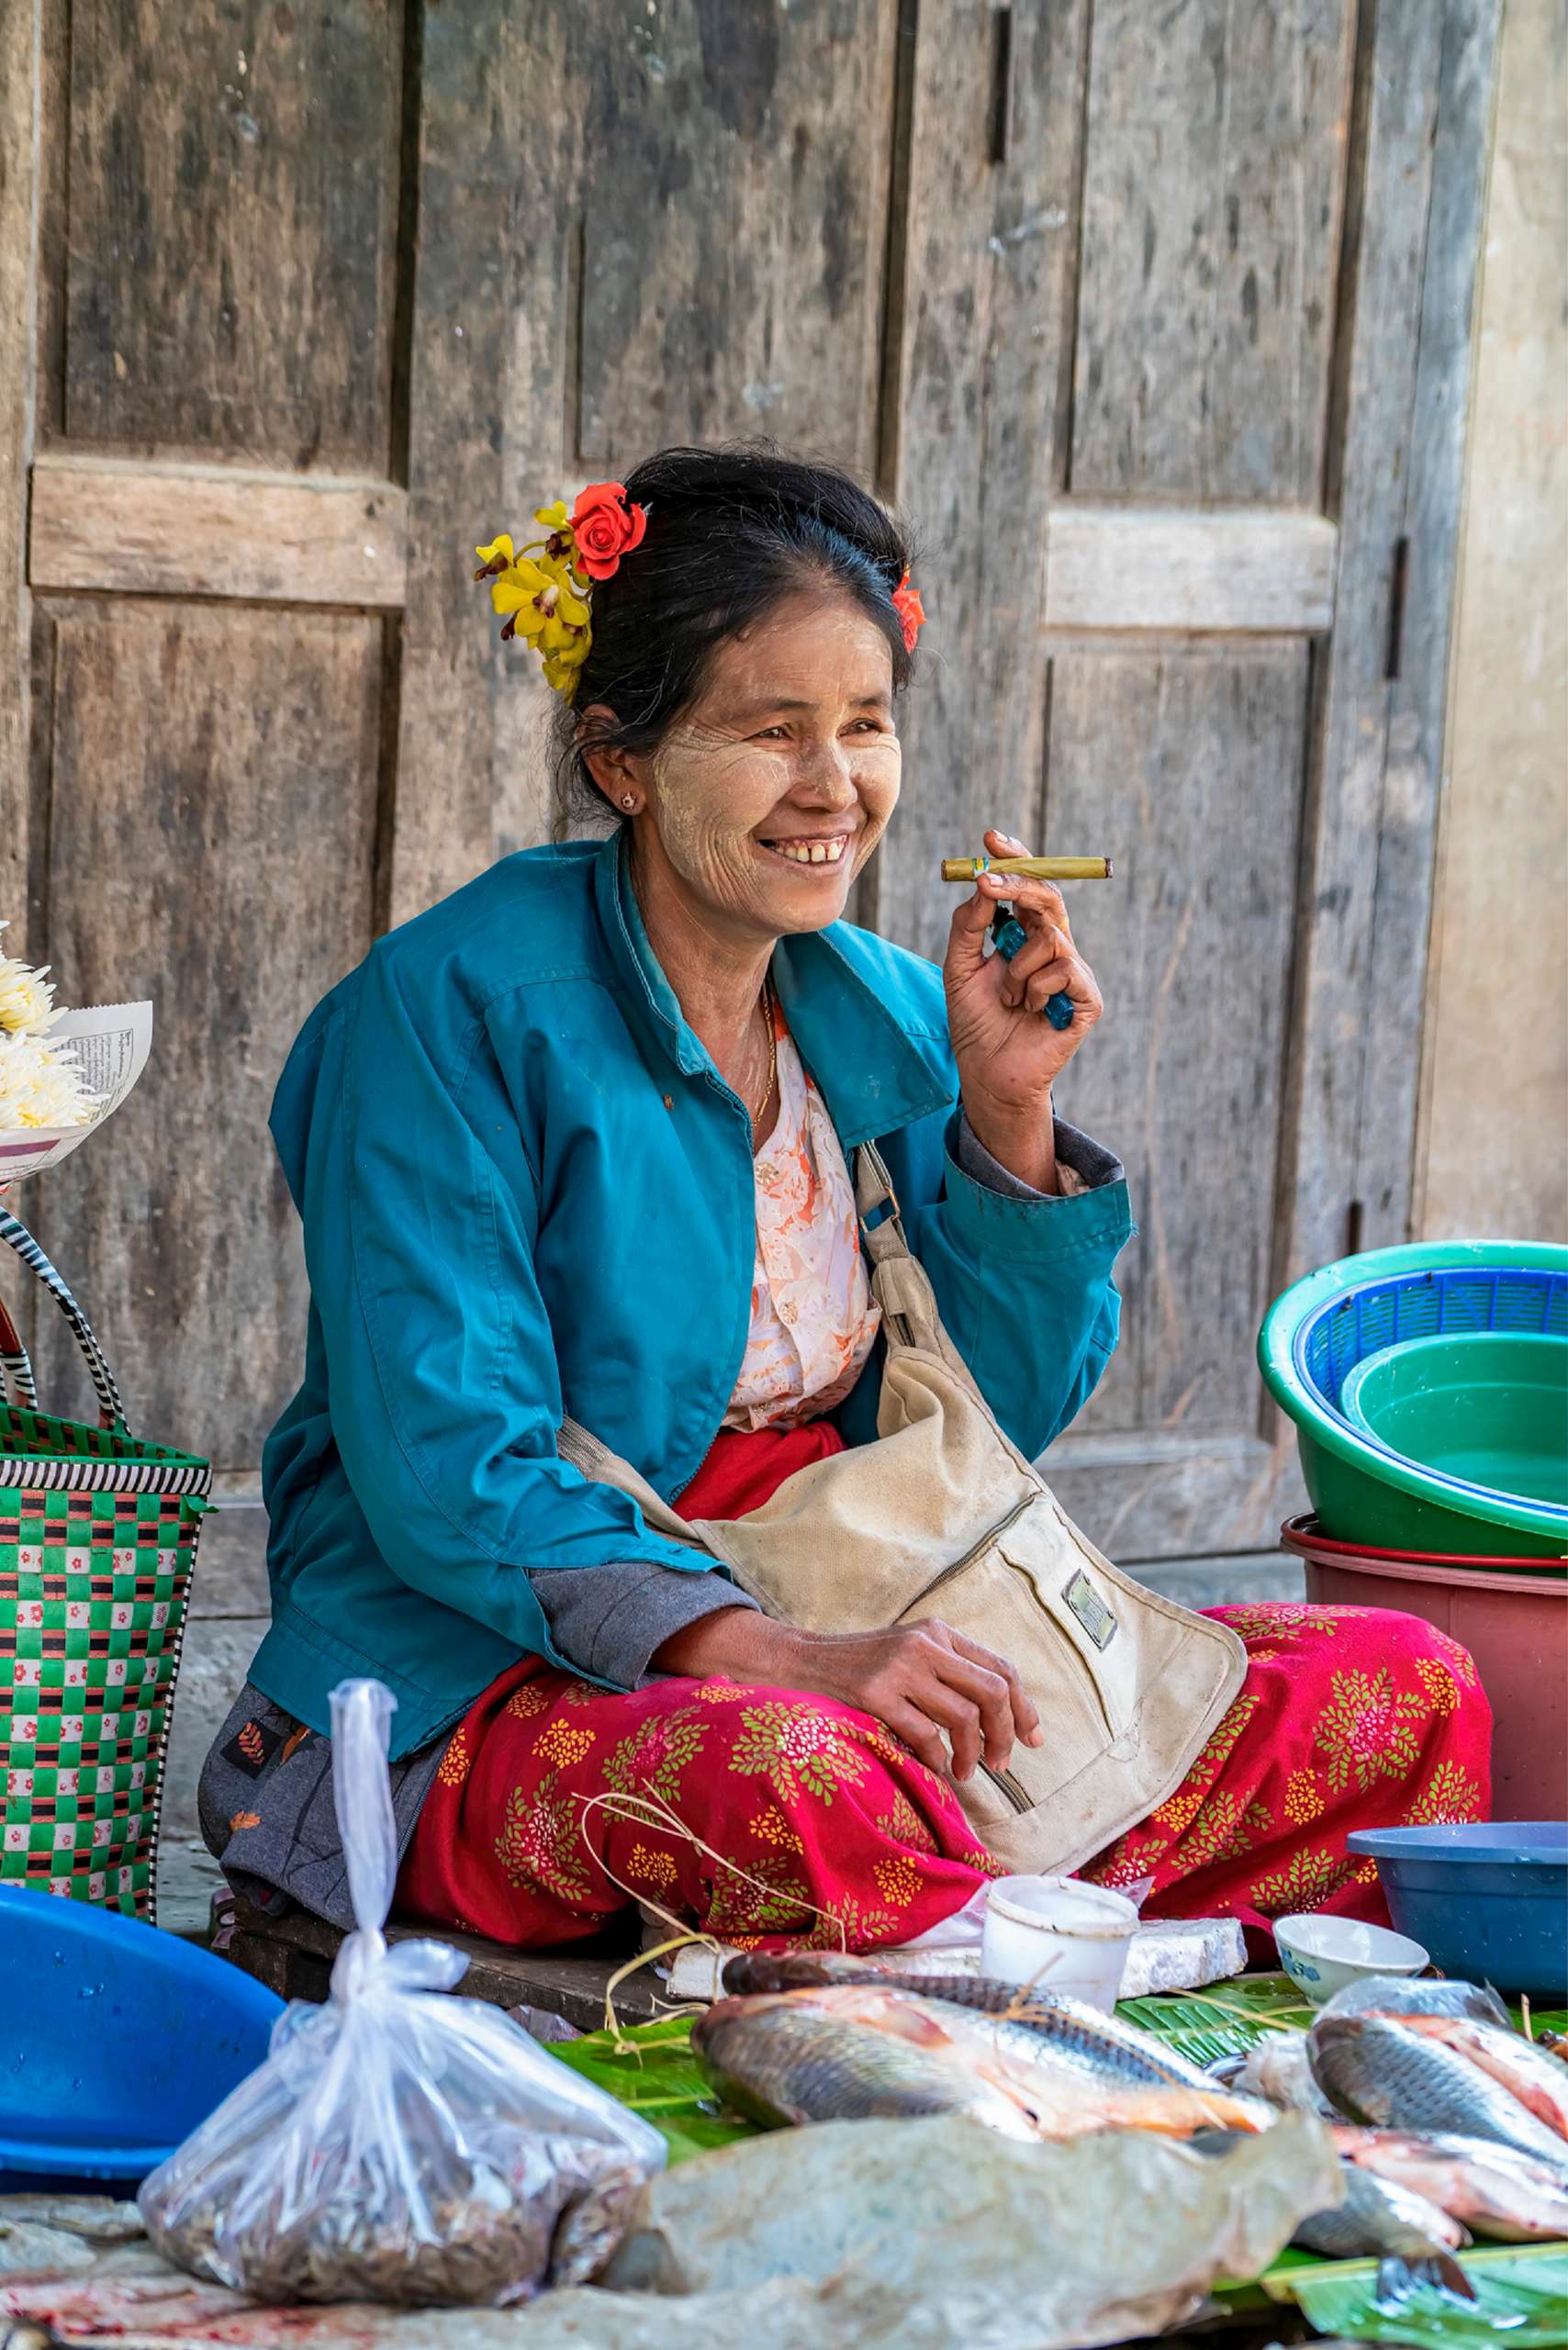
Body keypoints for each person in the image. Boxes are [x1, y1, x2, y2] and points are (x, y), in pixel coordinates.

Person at [200, 446, 1489, 1953]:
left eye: (865, 725)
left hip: (860, 1580)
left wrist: (1008, 1112)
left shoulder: (882, 1007)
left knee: (1405, 1686)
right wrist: (786, 1660)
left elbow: (983, 1418)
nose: (834, 788)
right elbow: (449, 1471)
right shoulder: (446, 1011)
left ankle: (1000, 1932)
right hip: (517, 1666)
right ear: (623, 760)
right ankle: (1045, 1932)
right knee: (807, 1786)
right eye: (770, 730)